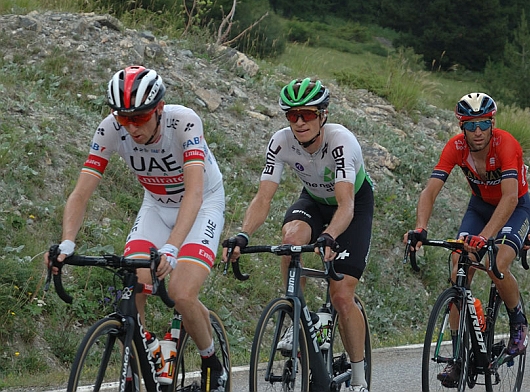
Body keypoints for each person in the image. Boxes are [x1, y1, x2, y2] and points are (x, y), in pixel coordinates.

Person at [44, 66, 227, 391]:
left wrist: (172, 247)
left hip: (201, 205)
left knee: (181, 293)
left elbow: (195, 193)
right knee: (135, 279)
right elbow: (81, 192)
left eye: (139, 117)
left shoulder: (184, 121)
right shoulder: (110, 129)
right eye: (123, 118)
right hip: (156, 205)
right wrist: (67, 242)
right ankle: (150, 354)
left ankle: (212, 360)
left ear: (158, 109)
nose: (131, 126)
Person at [225, 77, 374, 392]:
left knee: (341, 295)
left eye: (307, 114)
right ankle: (296, 313)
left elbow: (346, 205)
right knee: (291, 238)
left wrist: (331, 235)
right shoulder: (280, 142)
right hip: (314, 201)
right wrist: (243, 235)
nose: (300, 122)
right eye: (292, 115)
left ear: (323, 114)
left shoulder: (341, 142)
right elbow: (263, 198)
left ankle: (359, 379)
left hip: (353, 206)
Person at [405, 92, 530, 387]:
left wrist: (485, 237)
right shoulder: (456, 147)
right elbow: (430, 190)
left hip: (514, 207)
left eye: (484, 124)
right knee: (458, 267)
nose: (478, 131)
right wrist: (420, 227)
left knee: (498, 262)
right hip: (479, 207)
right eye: (471, 124)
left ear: (492, 123)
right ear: (462, 126)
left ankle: (517, 320)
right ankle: (458, 357)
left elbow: (511, 197)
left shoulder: (506, 144)